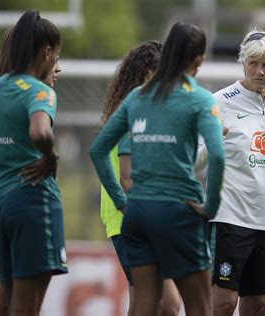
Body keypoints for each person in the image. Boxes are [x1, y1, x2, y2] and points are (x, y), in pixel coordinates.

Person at [89, 21, 225, 315]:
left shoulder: (135, 101)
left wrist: (125, 200)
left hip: (135, 213)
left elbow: (98, 149)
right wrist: (210, 207)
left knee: (144, 303)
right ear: (198, 59)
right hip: (172, 208)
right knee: (193, 303)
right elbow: (218, 156)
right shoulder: (198, 98)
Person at [196, 29, 265, 315]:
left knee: (259, 305)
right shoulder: (220, 101)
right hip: (228, 219)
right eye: (253, 63)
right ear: (243, 63)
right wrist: (212, 144)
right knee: (224, 303)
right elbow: (194, 160)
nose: (259, 70)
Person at [0, 10, 67, 316]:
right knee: (27, 306)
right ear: (46, 52)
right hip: (32, 201)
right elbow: (40, 131)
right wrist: (51, 156)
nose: (57, 64)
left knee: (3, 301)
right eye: (56, 55)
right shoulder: (39, 91)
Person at [100, 40, 181, 315]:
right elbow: (128, 177)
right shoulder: (134, 109)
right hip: (130, 216)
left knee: (146, 301)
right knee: (166, 303)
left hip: (130, 215)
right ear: (146, 72)